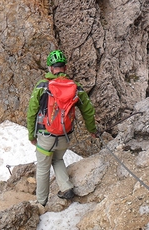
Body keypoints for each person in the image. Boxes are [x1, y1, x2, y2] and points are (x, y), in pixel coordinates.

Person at [27, 49, 98, 207]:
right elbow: (88, 110)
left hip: (46, 136)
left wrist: (31, 135)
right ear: (64, 68)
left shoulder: (42, 86)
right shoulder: (76, 87)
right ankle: (66, 188)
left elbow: (31, 112)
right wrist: (92, 130)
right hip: (65, 136)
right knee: (58, 159)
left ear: (51, 69)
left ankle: (41, 203)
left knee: (43, 168)